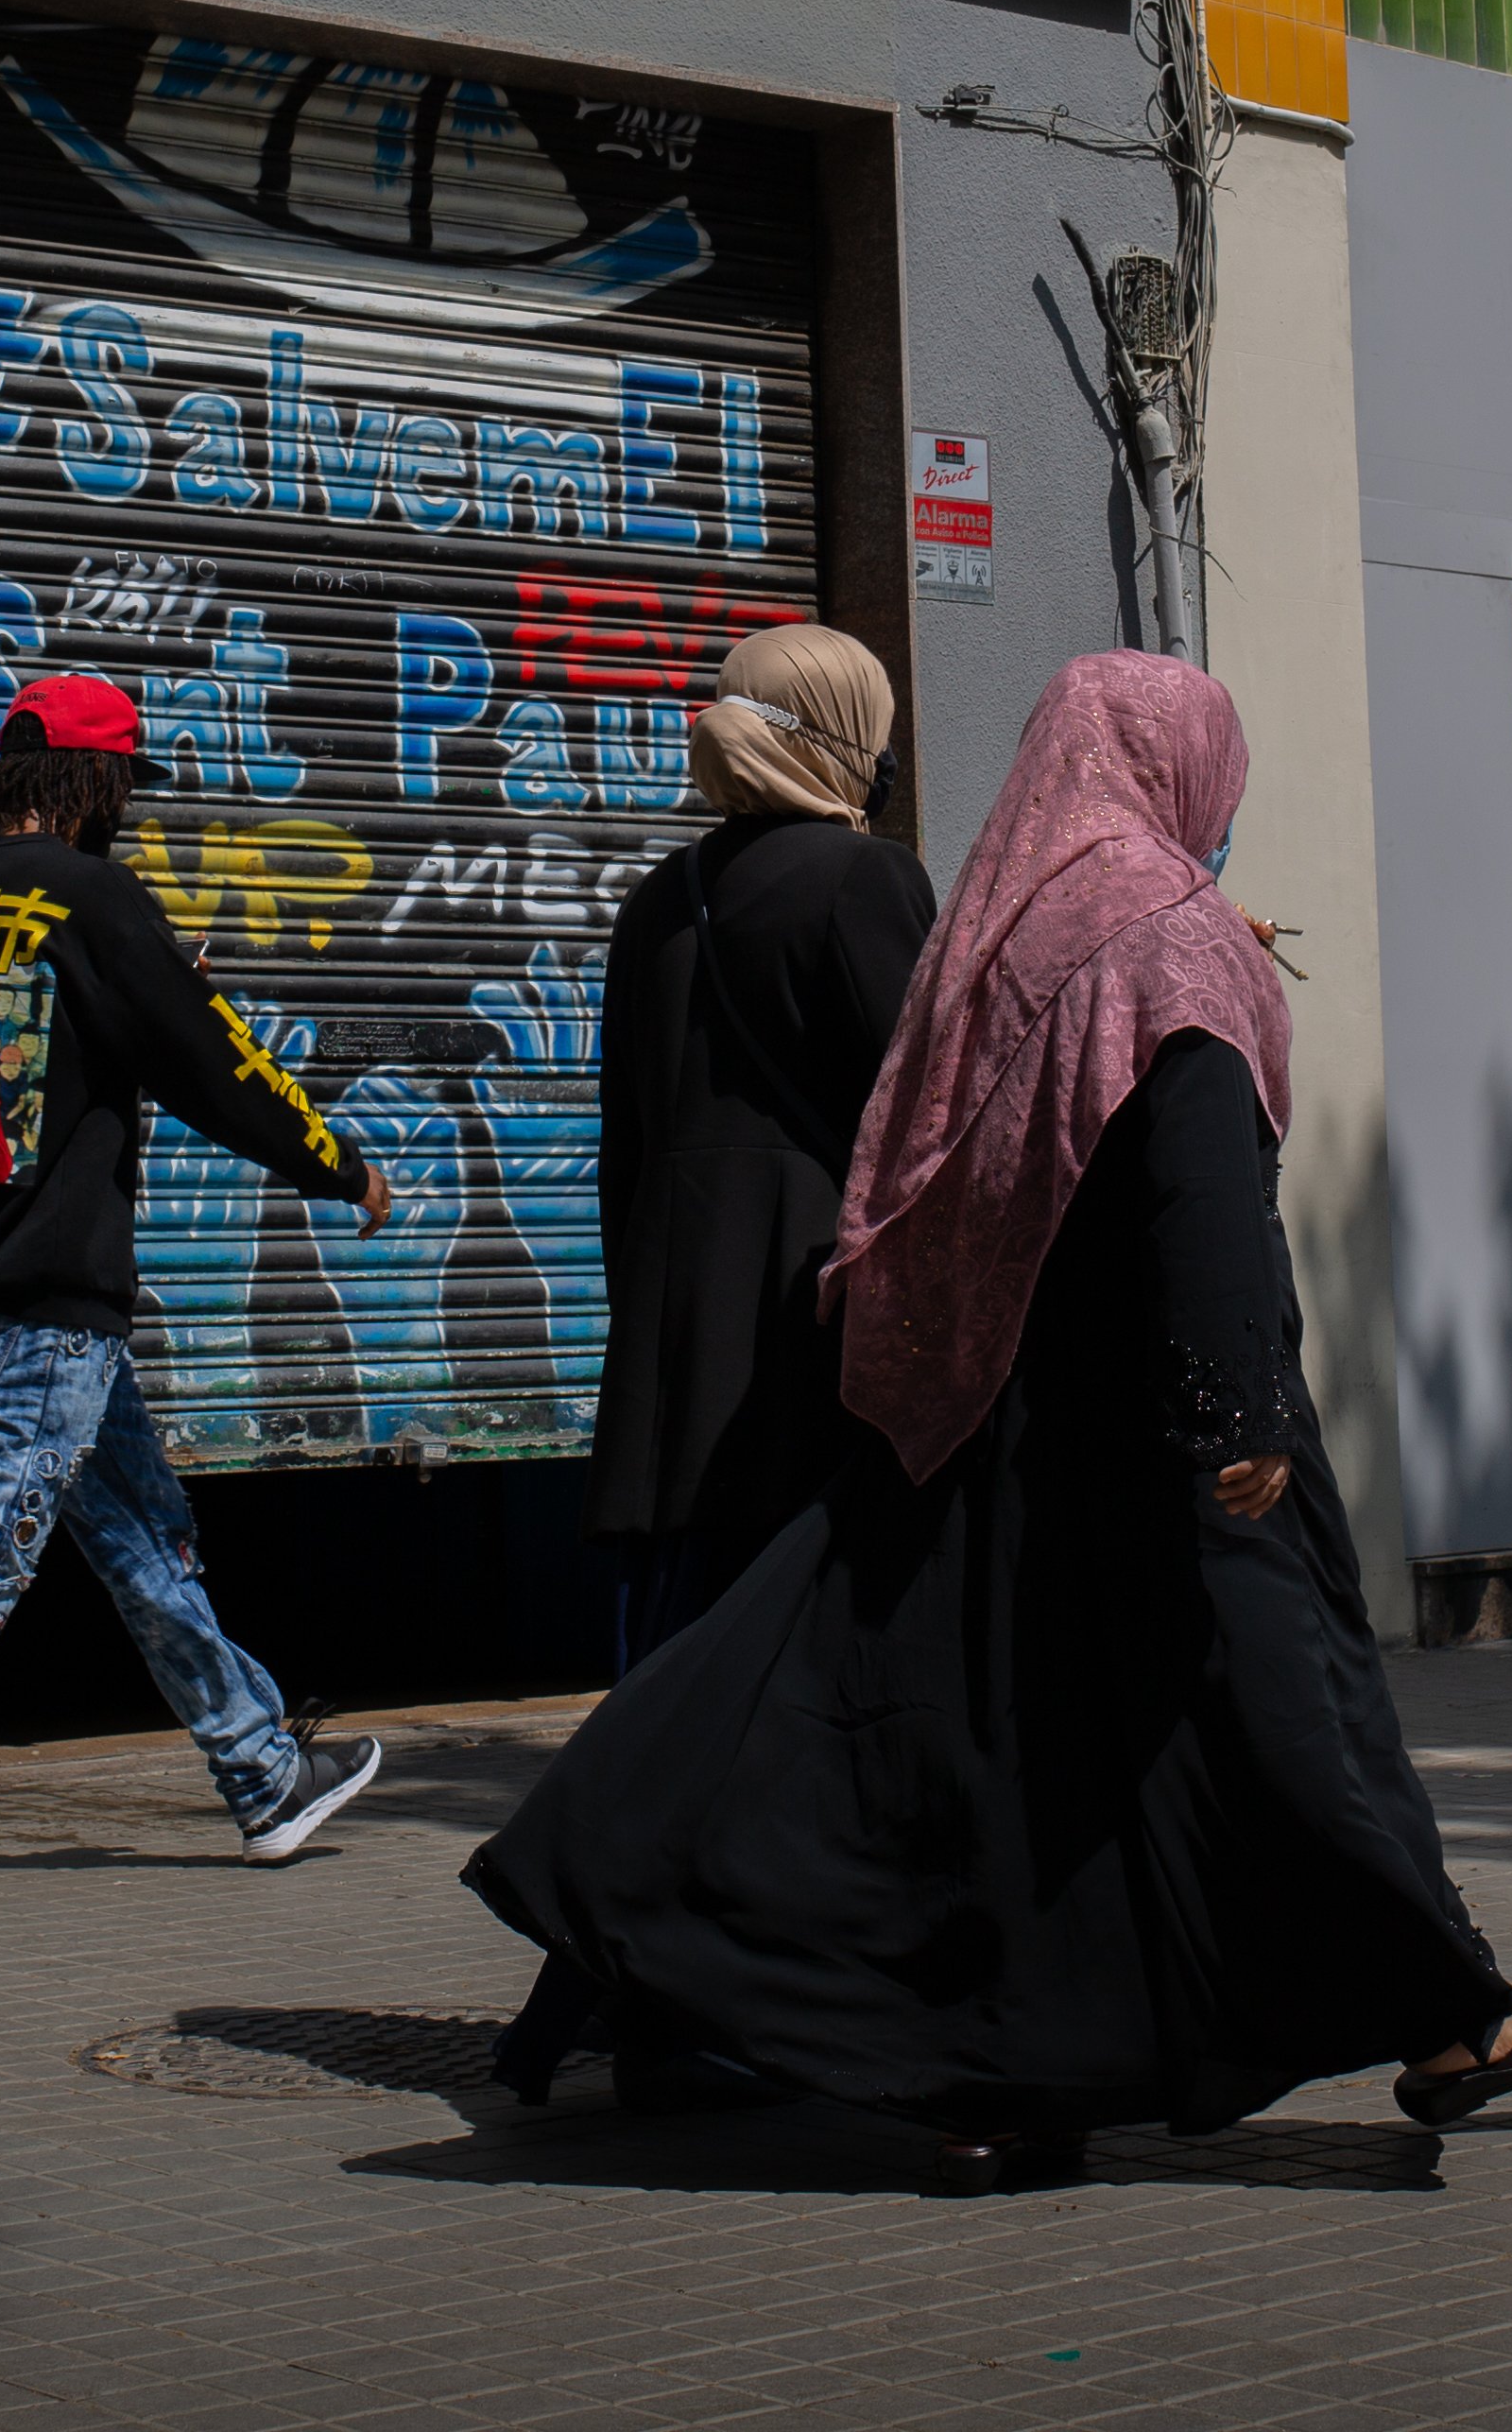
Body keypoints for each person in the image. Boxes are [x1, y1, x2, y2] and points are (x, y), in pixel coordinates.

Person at [466, 648, 1512, 2190]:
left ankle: (999, 2082)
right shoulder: (1160, 933)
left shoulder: (984, 927)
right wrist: (1240, 1411)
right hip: (1154, 1417)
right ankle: (1451, 2008)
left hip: (953, 1410)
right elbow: (1192, 1185)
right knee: (1294, 1710)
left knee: (990, 1758)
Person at [0, 672, 395, 1917]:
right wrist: (339, 1165)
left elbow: (24, 1063)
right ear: (94, 782)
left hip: (4, 1270)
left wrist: (153, 978)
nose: (130, 817)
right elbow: (213, 1062)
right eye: (126, 789)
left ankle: (263, 1769)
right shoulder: (96, 896)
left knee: (143, 1539)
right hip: (57, 1290)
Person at [494, 623, 936, 2100]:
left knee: (677, 1681)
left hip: (675, 1351)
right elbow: (920, 1123)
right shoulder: (868, 883)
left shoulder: (653, 903)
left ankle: (641, 2002)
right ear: (842, 733)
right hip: (803, 1352)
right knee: (794, 1692)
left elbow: (628, 1155)